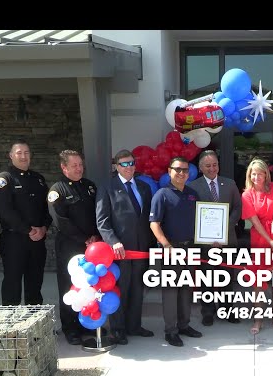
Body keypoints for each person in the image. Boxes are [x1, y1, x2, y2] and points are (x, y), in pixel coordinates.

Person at [96, 149, 155, 345]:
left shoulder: (144, 187)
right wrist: (113, 242)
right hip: (120, 251)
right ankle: (118, 329)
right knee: (120, 289)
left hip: (141, 250)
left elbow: (148, 219)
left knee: (138, 288)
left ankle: (134, 326)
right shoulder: (107, 187)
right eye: (124, 164)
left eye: (131, 163)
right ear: (116, 166)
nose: (129, 167)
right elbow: (102, 221)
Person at [47, 150, 101, 345]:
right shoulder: (57, 190)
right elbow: (60, 221)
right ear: (64, 167)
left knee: (90, 284)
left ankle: (88, 323)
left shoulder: (90, 187)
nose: (79, 168)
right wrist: (84, 238)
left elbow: (98, 214)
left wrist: (95, 236)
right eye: (74, 165)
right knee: (70, 287)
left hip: (92, 246)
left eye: (80, 164)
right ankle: (70, 328)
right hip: (70, 246)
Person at [149, 157, 203, 347]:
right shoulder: (161, 194)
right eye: (177, 169)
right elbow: (154, 224)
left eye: (185, 170)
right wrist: (166, 245)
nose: (181, 173)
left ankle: (184, 325)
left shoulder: (193, 194)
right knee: (171, 292)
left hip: (190, 249)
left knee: (186, 290)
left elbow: (201, 222)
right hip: (170, 250)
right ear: (169, 171)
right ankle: (170, 331)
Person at [0, 141, 51, 306]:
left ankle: (36, 325)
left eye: (26, 152)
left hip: (37, 240)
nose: (23, 156)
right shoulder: (5, 179)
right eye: (19, 152)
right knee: (12, 284)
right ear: (11, 156)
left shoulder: (38, 179)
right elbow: (5, 211)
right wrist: (28, 230)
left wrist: (43, 228)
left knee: (35, 284)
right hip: (14, 240)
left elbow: (47, 209)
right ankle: (12, 329)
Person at [188, 150, 242, 326]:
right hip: (205, 243)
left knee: (227, 277)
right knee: (207, 278)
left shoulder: (230, 183)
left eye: (215, 165)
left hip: (227, 241)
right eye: (208, 166)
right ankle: (208, 312)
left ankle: (228, 310)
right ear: (200, 167)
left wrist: (224, 228)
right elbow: (192, 215)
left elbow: (237, 209)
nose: (212, 168)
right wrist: (209, 236)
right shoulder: (193, 187)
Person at [241, 158, 273, 334]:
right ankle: (258, 319)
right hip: (259, 239)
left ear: (266, 174)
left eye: (260, 173)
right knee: (258, 281)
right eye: (253, 173)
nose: (256, 176)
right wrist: (269, 239)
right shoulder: (246, 194)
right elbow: (255, 222)